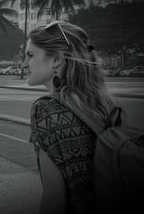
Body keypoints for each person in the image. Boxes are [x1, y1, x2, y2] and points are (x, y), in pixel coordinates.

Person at [21, 21, 118, 214]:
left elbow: (55, 202)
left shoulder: (47, 110)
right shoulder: (102, 103)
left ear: (56, 59)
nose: (23, 64)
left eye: (30, 55)